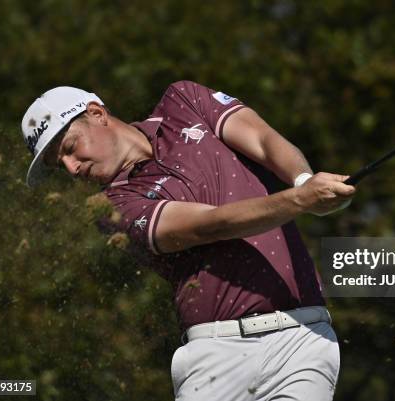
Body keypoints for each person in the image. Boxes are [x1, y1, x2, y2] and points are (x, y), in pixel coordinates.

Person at [20, 82, 355, 400]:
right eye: (59, 165)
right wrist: (301, 199)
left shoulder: (183, 101)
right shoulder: (112, 209)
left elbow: (262, 138)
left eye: (69, 148)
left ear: (96, 113)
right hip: (215, 357)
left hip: (303, 336)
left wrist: (305, 180)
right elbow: (209, 224)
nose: (72, 167)